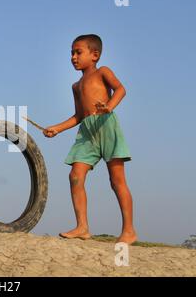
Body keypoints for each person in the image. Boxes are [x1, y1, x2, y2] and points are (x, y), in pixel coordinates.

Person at [43, 34, 137, 244]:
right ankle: (82, 227)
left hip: (106, 125)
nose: (73, 57)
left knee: (116, 180)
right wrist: (57, 128)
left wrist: (109, 107)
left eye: (78, 52)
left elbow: (121, 89)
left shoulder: (103, 72)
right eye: (71, 53)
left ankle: (129, 230)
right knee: (75, 175)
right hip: (86, 131)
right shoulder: (75, 86)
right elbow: (78, 115)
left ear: (94, 55)